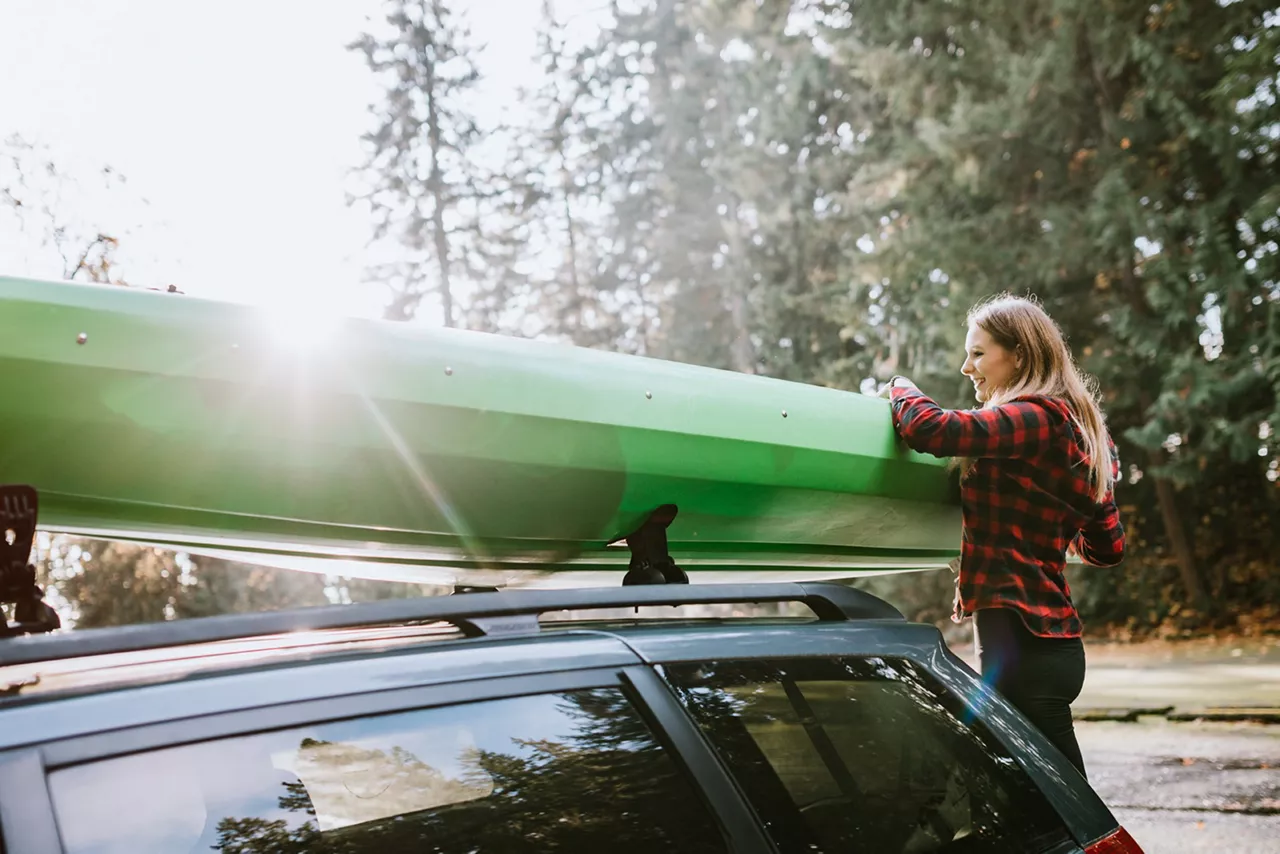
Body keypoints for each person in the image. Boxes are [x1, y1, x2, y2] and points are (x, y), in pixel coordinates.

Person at [879, 294, 1125, 778]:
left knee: (1061, 802)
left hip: (1022, 647)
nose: (966, 367)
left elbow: (931, 429)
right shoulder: (1087, 434)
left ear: (1018, 355)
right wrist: (1047, 517)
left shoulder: (1037, 418)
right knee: (1018, 792)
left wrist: (899, 385)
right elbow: (1107, 547)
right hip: (1051, 644)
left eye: (977, 353)